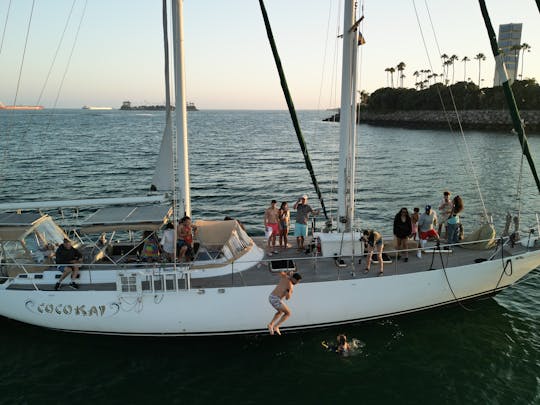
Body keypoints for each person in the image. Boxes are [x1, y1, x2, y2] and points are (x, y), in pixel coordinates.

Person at [267, 271, 302, 336]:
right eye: (297, 281)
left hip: (271, 297)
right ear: (294, 279)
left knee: (280, 312)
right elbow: (287, 298)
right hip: (276, 299)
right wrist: (288, 292)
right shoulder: (290, 286)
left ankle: (271, 324)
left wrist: (287, 273)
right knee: (288, 313)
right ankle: (276, 326)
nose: (297, 283)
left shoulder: (285, 277)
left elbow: (280, 272)